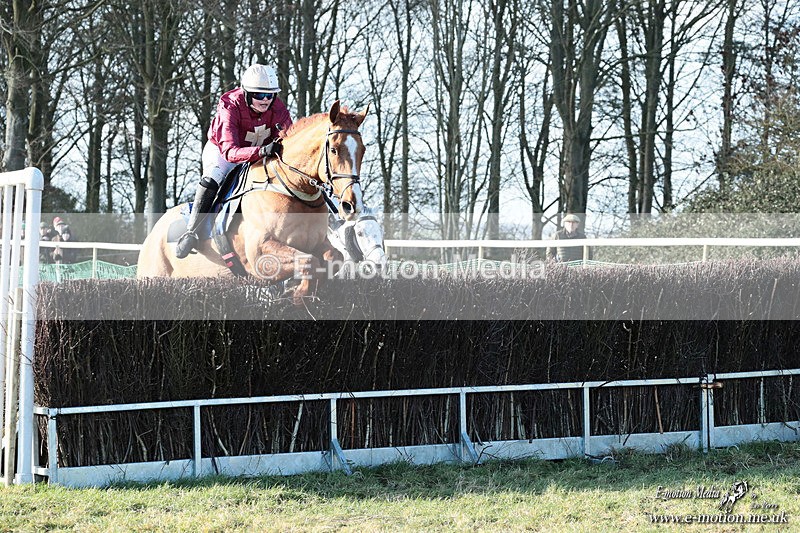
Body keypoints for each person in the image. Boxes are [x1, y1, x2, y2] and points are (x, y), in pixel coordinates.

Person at [175, 64, 294, 258]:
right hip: (223, 152)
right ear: (246, 93)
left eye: (270, 95)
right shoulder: (229, 106)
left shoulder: (278, 108)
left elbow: (289, 138)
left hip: (259, 153)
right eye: (259, 95)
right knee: (212, 178)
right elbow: (230, 151)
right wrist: (262, 150)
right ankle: (192, 231)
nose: (265, 100)